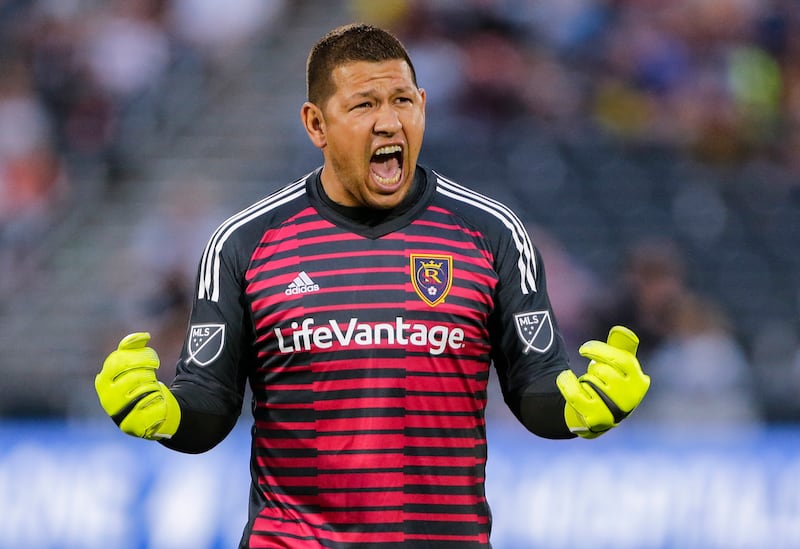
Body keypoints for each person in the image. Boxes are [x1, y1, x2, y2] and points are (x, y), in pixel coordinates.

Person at [95, 23, 650, 549]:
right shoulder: (244, 243)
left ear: (423, 107)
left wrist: (583, 406)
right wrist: (165, 414)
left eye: (402, 101)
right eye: (364, 105)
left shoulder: (492, 234)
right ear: (316, 124)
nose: (389, 123)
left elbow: (537, 390)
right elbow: (208, 405)